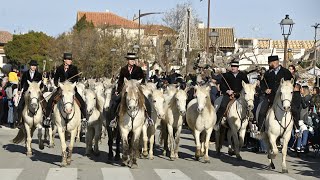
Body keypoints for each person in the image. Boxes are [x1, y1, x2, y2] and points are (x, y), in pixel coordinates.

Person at [43, 52, 86, 128]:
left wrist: (69, 83)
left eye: (71, 59)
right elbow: (56, 78)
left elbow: (76, 79)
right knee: (50, 100)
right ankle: (48, 118)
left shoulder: (74, 68)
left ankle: (84, 119)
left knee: (82, 102)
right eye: (69, 59)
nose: (70, 61)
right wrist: (57, 84)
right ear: (64, 60)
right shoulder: (59, 68)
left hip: (71, 89)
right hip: (62, 88)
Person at [110, 52, 151, 127]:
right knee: (115, 102)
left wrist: (138, 84)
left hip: (136, 89)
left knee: (147, 102)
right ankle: (114, 119)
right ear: (127, 60)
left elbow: (143, 80)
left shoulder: (138, 69)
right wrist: (118, 91)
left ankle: (149, 118)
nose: (132, 61)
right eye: (131, 59)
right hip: (126, 90)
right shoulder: (123, 69)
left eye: (133, 59)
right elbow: (120, 81)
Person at [258, 55, 293, 131]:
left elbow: (292, 83)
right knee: (262, 112)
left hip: (284, 98)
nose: (269, 65)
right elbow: (262, 84)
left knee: (295, 111)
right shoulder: (267, 73)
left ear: (274, 62)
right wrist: (265, 89)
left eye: (269, 63)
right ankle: (260, 130)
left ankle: (296, 128)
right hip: (270, 97)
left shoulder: (286, 72)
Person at [214, 60, 249, 130]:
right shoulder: (226, 75)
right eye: (232, 66)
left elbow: (247, 86)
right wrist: (227, 91)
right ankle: (217, 122)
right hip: (228, 95)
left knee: (248, 105)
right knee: (223, 106)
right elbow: (222, 85)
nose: (233, 68)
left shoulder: (243, 75)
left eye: (235, 66)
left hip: (240, 95)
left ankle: (248, 124)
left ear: (238, 67)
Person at [16, 60, 44, 127]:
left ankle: (45, 119)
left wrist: (41, 89)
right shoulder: (25, 73)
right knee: (20, 106)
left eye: (35, 66)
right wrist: (19, 90)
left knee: (44, 104)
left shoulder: (39, 74)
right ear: (30, 66)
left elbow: (41, 84)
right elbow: (22, 83)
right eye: (32, 65)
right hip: (27, 92)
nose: (33, 67)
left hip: (35, 93)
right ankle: (20, 121)